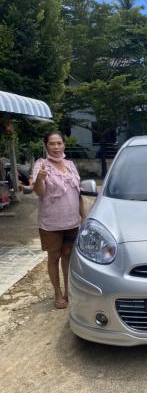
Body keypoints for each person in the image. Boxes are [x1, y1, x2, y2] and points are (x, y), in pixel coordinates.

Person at [32, 132, 85, 308]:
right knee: (54, 257)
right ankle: (57, 293)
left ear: (64, 145)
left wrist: (83, 216)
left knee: (68, 255)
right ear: (46, 145)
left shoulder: (70, 165)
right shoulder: (41, 165)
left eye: (59, 143)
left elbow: (78, 193)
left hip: (72, 222)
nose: (56, 147)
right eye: (52, 143)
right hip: (51, 223)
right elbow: (40, 192)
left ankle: (69, 291)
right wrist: (39, 179)